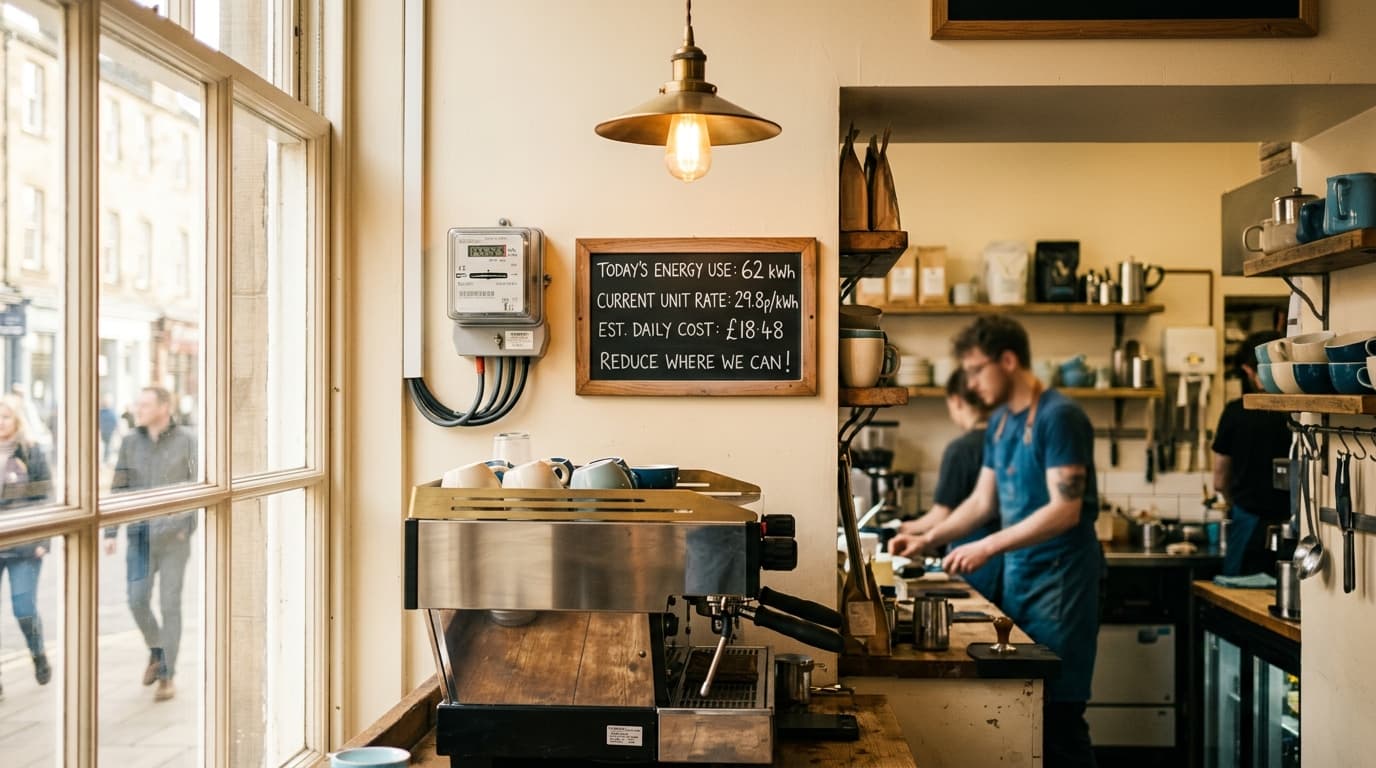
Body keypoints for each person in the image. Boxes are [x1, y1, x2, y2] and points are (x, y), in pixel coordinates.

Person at [898, 316, 1102, 768]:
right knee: (1024, 703)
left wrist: (987, 547)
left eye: (975, 370)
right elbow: (981, 503)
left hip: (1061, 582)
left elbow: (1064, 509)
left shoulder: (1059, 417)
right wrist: (927, 538)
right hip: (1020, 579)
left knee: (1060, 716)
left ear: (1008, 361)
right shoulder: (1001, 425)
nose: (969, 383)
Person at [102, 386, 198, 702]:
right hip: (140, 536)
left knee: (170, 605)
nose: (138, 409)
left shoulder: (188, 439)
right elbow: (119, 485)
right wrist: (112, 531)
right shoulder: (130, 442)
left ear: (164, 407)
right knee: (136, 599)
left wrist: (187, 527)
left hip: (174, 538)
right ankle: (157, 650)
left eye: (145, 404)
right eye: (138, 403)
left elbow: (199, 485)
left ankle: (167, 676)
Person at [890, 368, 1002, 604]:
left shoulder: (961, 449)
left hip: (971, 559)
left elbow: (943, 514)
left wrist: (904, 528)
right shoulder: (1003, 439)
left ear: (957, 400)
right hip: (1007, 559)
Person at [1213, 329, 1291, 576]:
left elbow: (1219, 479)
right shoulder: (1301, 411)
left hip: (1249, 523)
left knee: (1241, 601)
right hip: (1294, 526)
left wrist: (1230, 498)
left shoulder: (1235, 412)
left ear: (1248, 370)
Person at [0, 393, 55, 699]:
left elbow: (46, 497)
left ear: (18, 420)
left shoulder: (32, 453)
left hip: (24, 544)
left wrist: (42, 539)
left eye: (6, 416)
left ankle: (38, 653)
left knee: (23, 608)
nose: (0, 422)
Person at [99, 395, 118, 463]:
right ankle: (105, 459)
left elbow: (115, 422)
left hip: (108, 431)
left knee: (107, 445)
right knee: (106, 445)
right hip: (104, 431)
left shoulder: (111, 412)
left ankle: (106, 459)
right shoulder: (101, 412)